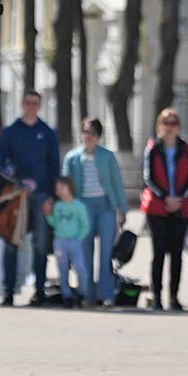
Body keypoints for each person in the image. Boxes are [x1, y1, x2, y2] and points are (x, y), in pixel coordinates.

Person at [0, 90, 60, 306]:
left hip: (41, 196)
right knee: (11, 242)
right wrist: (15, 179)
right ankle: (8, 293)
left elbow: (54, 167)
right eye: (28, 103)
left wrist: (51, 197)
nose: (31, 106)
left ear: (39, 106)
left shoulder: (47, 133)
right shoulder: (11, 132)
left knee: (41, 245)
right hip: (16, 196)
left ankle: (40, 292)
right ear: (22, 104)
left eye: (35, 103)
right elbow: (1, 164)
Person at [62, 117, 128, 307]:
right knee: (85, 251)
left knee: (106, 251)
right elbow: (66, 186)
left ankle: (106, 294)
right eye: (85, 132)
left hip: (105, 205)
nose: (88, 137)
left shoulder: (107, 156)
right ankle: (87, 294)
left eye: (92, 133)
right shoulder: (72, 158)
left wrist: (122, 209)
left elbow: (116, 183)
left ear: (98, 136)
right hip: (83, 207)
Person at [140, 108, 188, 311]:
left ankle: (174, 296)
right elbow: (148, 178)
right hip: (157, 207)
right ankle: (156, 296)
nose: (169, 127)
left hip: (180, 207)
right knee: (159, 253)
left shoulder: (186, 149)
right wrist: (165, 197)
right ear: (160, 126)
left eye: (173, 123)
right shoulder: (153, 148)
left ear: (179, 127)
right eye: (166, 123)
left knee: (176, 253)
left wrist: (179, 198)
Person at [45, 176, 89, 308]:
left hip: (74, 241)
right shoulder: (58, 206)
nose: (59, 191)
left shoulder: (78, 206)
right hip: (60, 241)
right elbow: (54, 222)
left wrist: (78, 238)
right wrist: (48, 215)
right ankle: (67, 295)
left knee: (80, 267)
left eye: (62, 188)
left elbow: (85, 225)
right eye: (57, 189)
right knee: (63, 270)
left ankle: (81, 292)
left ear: (70, 188)